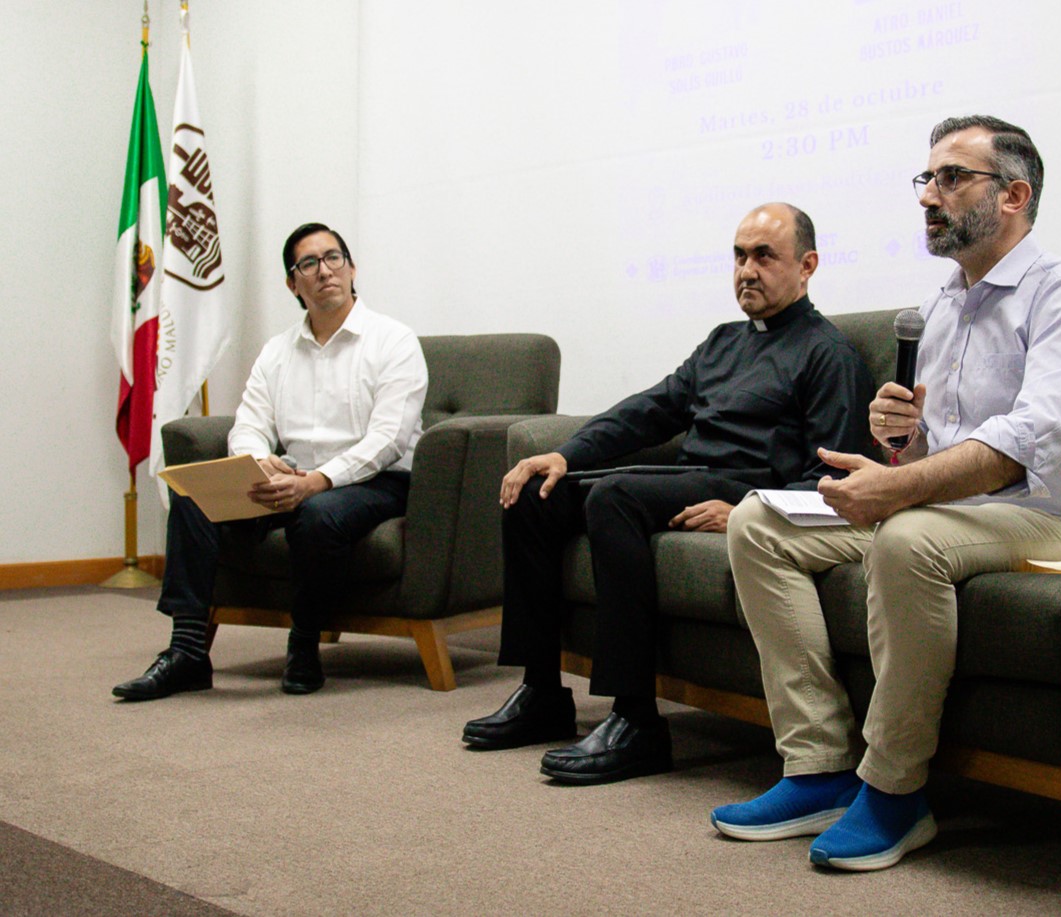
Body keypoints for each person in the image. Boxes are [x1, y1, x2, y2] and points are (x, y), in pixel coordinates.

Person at [711, 116, 1061, 871]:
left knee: (906, 536)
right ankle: (817, 766)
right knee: (757, 521)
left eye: (950, 178)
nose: (928, 197)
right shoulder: (940, 305)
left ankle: (894, 790)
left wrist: (896, 485)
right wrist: (899, 436)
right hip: (964, 513)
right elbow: (942, 449)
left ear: (1013, 195)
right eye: (925, 179)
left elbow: (1024, 445)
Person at [462, 203, 876, 784]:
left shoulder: (827, 354)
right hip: (689, 477)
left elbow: (831, 475)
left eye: (764, 256)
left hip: (748, 486)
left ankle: (636, 721)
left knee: (615, 497)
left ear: (807, 266)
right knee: (536, 495)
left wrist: (748, 513)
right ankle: (541, 691)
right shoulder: (724, 341)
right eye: (738, 255)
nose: (747, 271)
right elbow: (654, 408)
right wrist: (567, 453)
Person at [113, 223, 428, 699]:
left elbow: (388, 439)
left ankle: (303, 644)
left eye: (333, 258)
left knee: (319, 513)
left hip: (377, 481)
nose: (324, 271)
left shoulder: (393, 341)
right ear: (292, 283)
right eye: (309, 263)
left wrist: (319, 481)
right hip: (291, 478)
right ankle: (187, 652)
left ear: (351, 268)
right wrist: (259, 464)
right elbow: (249, 424)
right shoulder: (277, 352)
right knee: (194, 497)